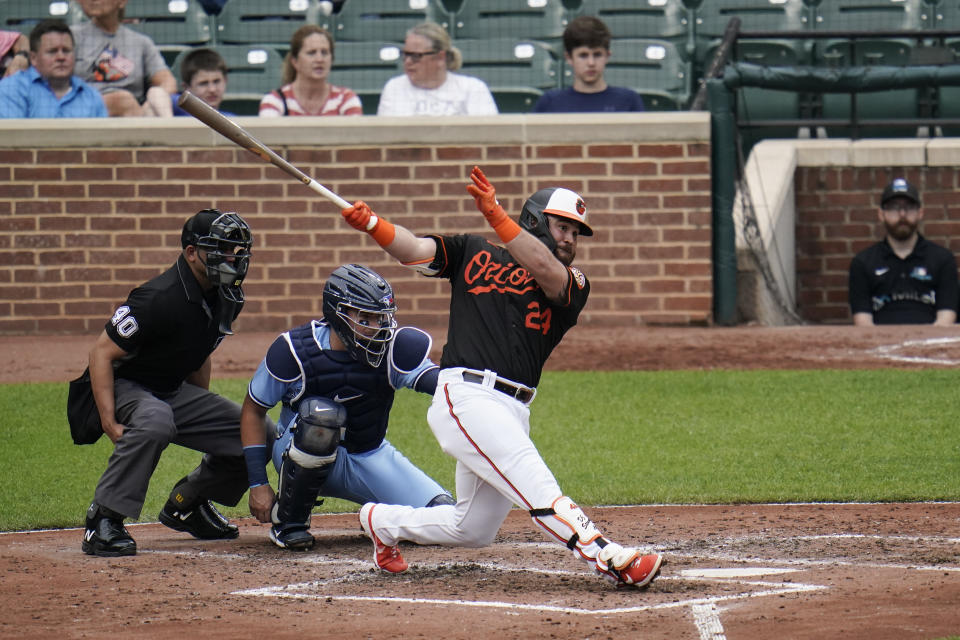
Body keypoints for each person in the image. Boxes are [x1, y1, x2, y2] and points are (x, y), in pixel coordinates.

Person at [338, 167, 663, 588]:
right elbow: (414, 250)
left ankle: (382, 521)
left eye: (575, 232)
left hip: (513, 408)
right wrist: (373, 225)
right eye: (562, 226)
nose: (569, 238)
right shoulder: (473, 250)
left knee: (471, 528)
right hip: (467, 396)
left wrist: (497, 217)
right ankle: (609, 557)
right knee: (537, 485)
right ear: (534, 220)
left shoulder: (572, 284)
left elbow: (545, 268)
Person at [80, 209, 269, 557]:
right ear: (191, 252)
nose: (232, 259)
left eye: (236, 252)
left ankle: (188, 503)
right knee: (155, 419)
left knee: (257, 431)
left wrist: (202, 415)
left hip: (170, 389)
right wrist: (108, 420)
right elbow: (100, 354)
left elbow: (199, 352)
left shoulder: (226, 296)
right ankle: (103, 520)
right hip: (124, 385)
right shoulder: (157, 298)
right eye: (221, 250)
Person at [240, 263, 454, 550]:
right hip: (299, 451)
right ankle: (289, 521)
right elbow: (253, 410)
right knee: (321, 417)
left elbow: (435, 382)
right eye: (365, 317)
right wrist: (258, 484)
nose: (376, 327)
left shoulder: (391, 348)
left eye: (380, 318)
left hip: (369, 454)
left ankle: (380, 521)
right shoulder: (294, 350)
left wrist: (469, 390)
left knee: (444, 517)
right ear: (337, 314)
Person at [849, 177, 959, 326]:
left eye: (909, 207)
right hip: (881, 346)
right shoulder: (863, 263)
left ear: (920, 212)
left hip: (929, 345)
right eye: (894, 207)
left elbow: (946, 318)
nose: (902, 214)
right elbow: (863, 323)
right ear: (881, 214)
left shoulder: (942, 259)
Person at [71, 0, 175, 117]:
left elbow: (167, 81)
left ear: (121, 2)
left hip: (132, 112)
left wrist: (146, 106)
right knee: (122, 100)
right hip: (83, 110)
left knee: (157, 95)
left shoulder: (140, 42)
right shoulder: (71, 37)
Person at [377, 22, 498, 117]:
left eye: (416, 56)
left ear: (440, 57)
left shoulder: (473, 89)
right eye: (405, 54)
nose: (408, 62)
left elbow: (489, 136)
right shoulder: (394, 88)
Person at [532, 15, 644, 113]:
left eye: (597, 55)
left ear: (607, 56)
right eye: (583, 55)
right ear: (569, 58)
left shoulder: (628, 101)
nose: (591, 63)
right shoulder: (550, 103)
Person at [0, 20, 107, 118]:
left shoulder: (91, 96)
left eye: (66, 50)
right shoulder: (12, 89)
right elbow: (11, 137)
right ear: (33, 58)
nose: (61, 57)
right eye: (52, 51)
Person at [258, 25, 361, 117]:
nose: (319, 59)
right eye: (311, 53)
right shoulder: (273, 101)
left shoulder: (346, 99)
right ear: (295, 61)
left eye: (324, 52)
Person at [171, 47, 233, 116]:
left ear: (225, 81)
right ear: (186, 88)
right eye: (203, 83)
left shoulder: (232, 119)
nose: (212, 89)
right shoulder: (177, 114)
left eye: (216, 81)